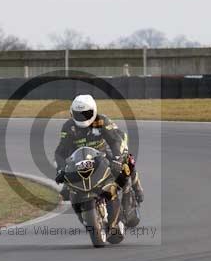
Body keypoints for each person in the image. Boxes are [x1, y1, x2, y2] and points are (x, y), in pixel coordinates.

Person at [53, 94, 144, 228]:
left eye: (87, 113)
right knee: (67, 191)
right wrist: (61, 169)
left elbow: (115, 140)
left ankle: (136, 188)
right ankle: (85, 215)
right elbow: (60, 152)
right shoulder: (68, 127)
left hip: (104, 155)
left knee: (126, 160)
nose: (83, 117)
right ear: (72, 114)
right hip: (81, 160)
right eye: (79, 114)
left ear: (94, 111)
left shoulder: (101, 121)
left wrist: (117, 158)